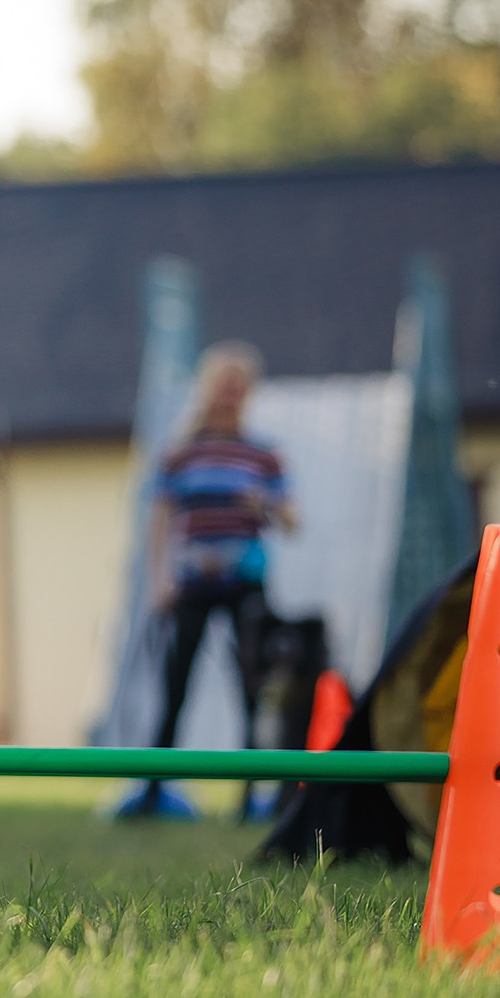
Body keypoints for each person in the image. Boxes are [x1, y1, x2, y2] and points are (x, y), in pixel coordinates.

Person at [119, 341, 296, 820]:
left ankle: (250, 799)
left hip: (247, 582)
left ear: (248, 393)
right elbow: (158, 522)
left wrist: (265, 503)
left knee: (252, 691)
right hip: (192, 583)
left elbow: (292, 520)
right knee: (175, 688)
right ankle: (154, 794)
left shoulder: (263, 454)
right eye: (223, 386)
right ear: (208, 389)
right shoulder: (180, 454)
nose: (230, 395)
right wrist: (160, 580)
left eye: (239, 388)